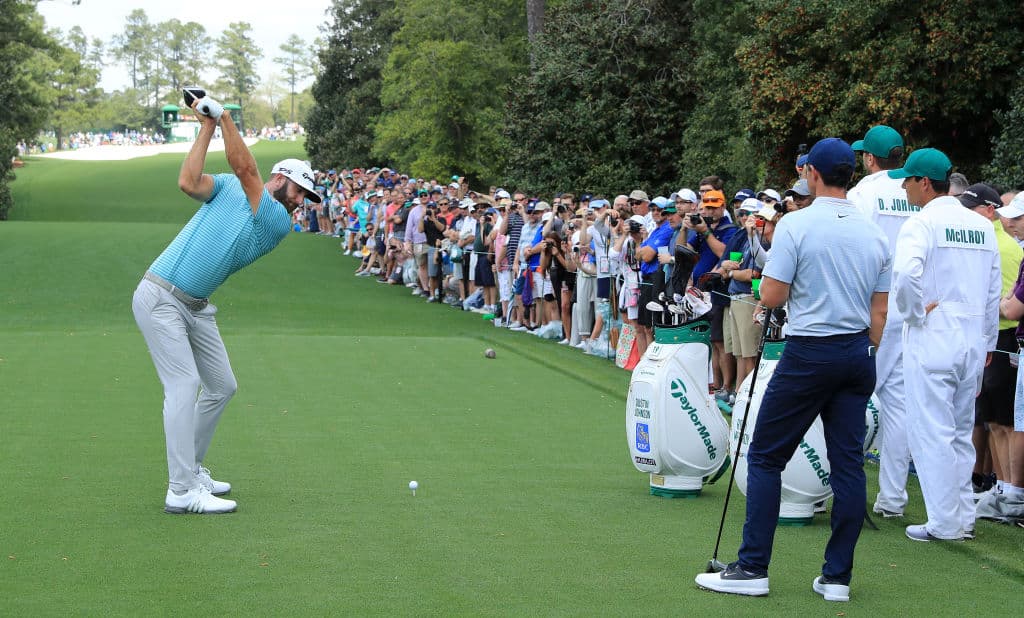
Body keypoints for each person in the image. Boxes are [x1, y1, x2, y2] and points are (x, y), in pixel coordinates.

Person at [695, 138, 890, 602]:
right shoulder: (874, 232)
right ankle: (837, 578)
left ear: (813, 175)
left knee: (765, 456)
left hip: (809, 352)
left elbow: (772, 295)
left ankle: (752, 568)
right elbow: (879, 313)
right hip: (857, 353)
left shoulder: (797, 224)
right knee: (848, 466)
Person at [133, 93, 320, 515]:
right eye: (299, 191)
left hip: (195, 306)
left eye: (306, 197)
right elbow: (189, 182)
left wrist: (224, 117)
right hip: (161, 296)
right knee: (184, 385)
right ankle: (181, 490)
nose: (300, 202)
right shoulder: (230, 188)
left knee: (222, 386)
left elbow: (245, 168)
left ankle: (191, 469)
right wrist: (207, 126)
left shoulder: (276, 220)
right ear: (280, 178)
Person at [888, 148, 1001, 542]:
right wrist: (988, 339)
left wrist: (913, 313)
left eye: (907, 180)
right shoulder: (981, 226)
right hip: (972, 338)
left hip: (934, 335)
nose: (903, 187)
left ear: (924, 183)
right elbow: (992, 291)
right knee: (960, 430)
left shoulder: (921, 223)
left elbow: (905, 275)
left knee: (931, 430)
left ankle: (944, 521)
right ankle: (963, 516)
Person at [846, 124, 917, 519]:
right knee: (897, 406)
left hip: (870, 306)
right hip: (910, 309)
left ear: (870, 158)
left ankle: (841, 489)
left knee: (849, 398)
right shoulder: (916, 189)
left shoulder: (864, 192)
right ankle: (892, 498)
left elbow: (851, 248)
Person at [957, 184, 1022, 519]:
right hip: (994, 336)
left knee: (1006, 420)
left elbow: (1008, 304)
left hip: (1005, 338)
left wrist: (984, 306)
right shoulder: (991, 239)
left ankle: (1010, 491)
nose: (1011, 223)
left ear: (987, 211)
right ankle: (1002, 488)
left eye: (970, 208)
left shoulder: (999, 244)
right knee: (993, 419)